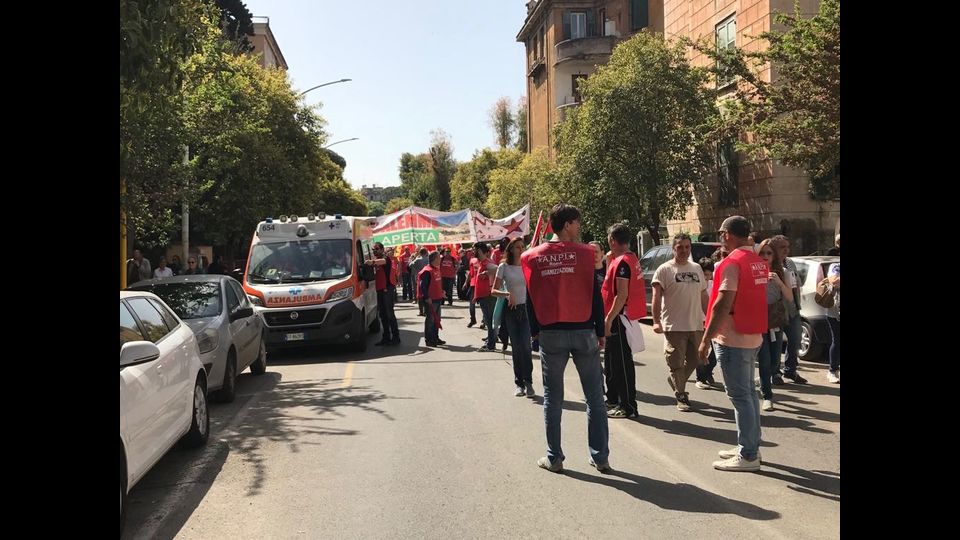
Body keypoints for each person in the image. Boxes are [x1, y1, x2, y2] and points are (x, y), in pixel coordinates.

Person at [523, 203, 609, 473]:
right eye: (577, 222)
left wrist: (535, 331)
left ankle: (554, 457)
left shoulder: (532, 256)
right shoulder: (586, 254)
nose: (580, 226)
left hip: (550, 332)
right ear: (568, 224)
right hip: (584, 330)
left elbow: (530, 297)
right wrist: (600, 330)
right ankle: (600, 456)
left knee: (553, 398)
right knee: (595, 397)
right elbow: (595, 295)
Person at [698, 216, 767, 472]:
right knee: (748, 394)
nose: (720, 238)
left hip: (733, 337)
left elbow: (722, 303)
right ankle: (750, 445)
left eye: (721, 233)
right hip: (752, 334)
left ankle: (748, 454)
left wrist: (705, 339)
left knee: (740, 396)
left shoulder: (732, 263)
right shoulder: (756, 261)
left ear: (727, 234)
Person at [652, 233, 708, 412]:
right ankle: (681, 395)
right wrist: (656, 321)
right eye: (680, 247)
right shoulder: (664, 269)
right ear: (673, 249)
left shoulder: (697, 268)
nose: (684, 250)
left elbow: (703, 295)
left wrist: (710, 317)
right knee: (676, 362)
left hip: (696, 323)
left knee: (697, 359)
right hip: (674, 325)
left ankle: (676, 380)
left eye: (687, 247)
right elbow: (656, 297)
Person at [601, 223, 646, 419]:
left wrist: (608, 319)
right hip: (620, 317)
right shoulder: (629, 258)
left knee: (622, 364)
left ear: (612, 240)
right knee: (612, 363)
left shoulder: (622, 263)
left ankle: (628, 407)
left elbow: (622, 295)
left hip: (619, 318)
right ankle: (614, 399)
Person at [755, 238, 794, 412]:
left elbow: (789, 297)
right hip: (758, 320)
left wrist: (778, 281)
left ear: (774, 256)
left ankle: (764, 380)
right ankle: (767, 396)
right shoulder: (754, 271)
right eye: (762, 253)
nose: (765, 256)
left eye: (769, 253)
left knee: (774, 362)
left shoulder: (783, 272)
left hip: (775, 320)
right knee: (764, 360)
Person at [493, 237, 534, 397]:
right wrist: (507, 294)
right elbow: (493, 290)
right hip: (511, 310)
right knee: (516, 348)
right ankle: (519, 384)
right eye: (518, 247)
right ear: (511, 249)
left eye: (523, 246)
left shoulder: (527, 265)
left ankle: (528, 382)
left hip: (526, 309)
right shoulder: (503, 267)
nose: (521, 249)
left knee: (526, 347)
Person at [366, 242, 401, 346]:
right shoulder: (377, 260)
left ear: (382, 249)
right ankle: (386, 338)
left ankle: (396, 338)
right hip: (380, 290)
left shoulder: (386, 259)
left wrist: (371, 262)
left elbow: (382, 261)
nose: (374, 251)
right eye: (373, 249)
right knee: (383, 315)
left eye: (376, 249)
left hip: (387, 290)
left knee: (389, 314)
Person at [473, 243, 498, 351]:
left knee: (489, 320)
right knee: (489, 320)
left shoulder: (487, 263)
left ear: (479, 251)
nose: (473, 252)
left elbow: (498, 269)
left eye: (475, 250)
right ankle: (491, 341)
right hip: (485, 296)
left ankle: (490, 345)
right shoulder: (483, 262)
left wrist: (487, 272)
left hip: (487, 296)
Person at [419, 251, 446, 347]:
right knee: (430, 320)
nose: (440, 259)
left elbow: (436, 282)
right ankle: (429, 340)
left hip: (437, 298)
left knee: (436, 320)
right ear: (434, 259)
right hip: (431, 300)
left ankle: (435, 338)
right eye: (439, 258)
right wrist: (427, 297)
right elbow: (422, 286)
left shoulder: (436, 269)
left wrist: (442, 291)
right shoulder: (427, 271)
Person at [826, 262, 840, 383]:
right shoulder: (835, 266)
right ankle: (832, 370)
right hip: (835, 313)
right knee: (837, 340)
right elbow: (834, 282)